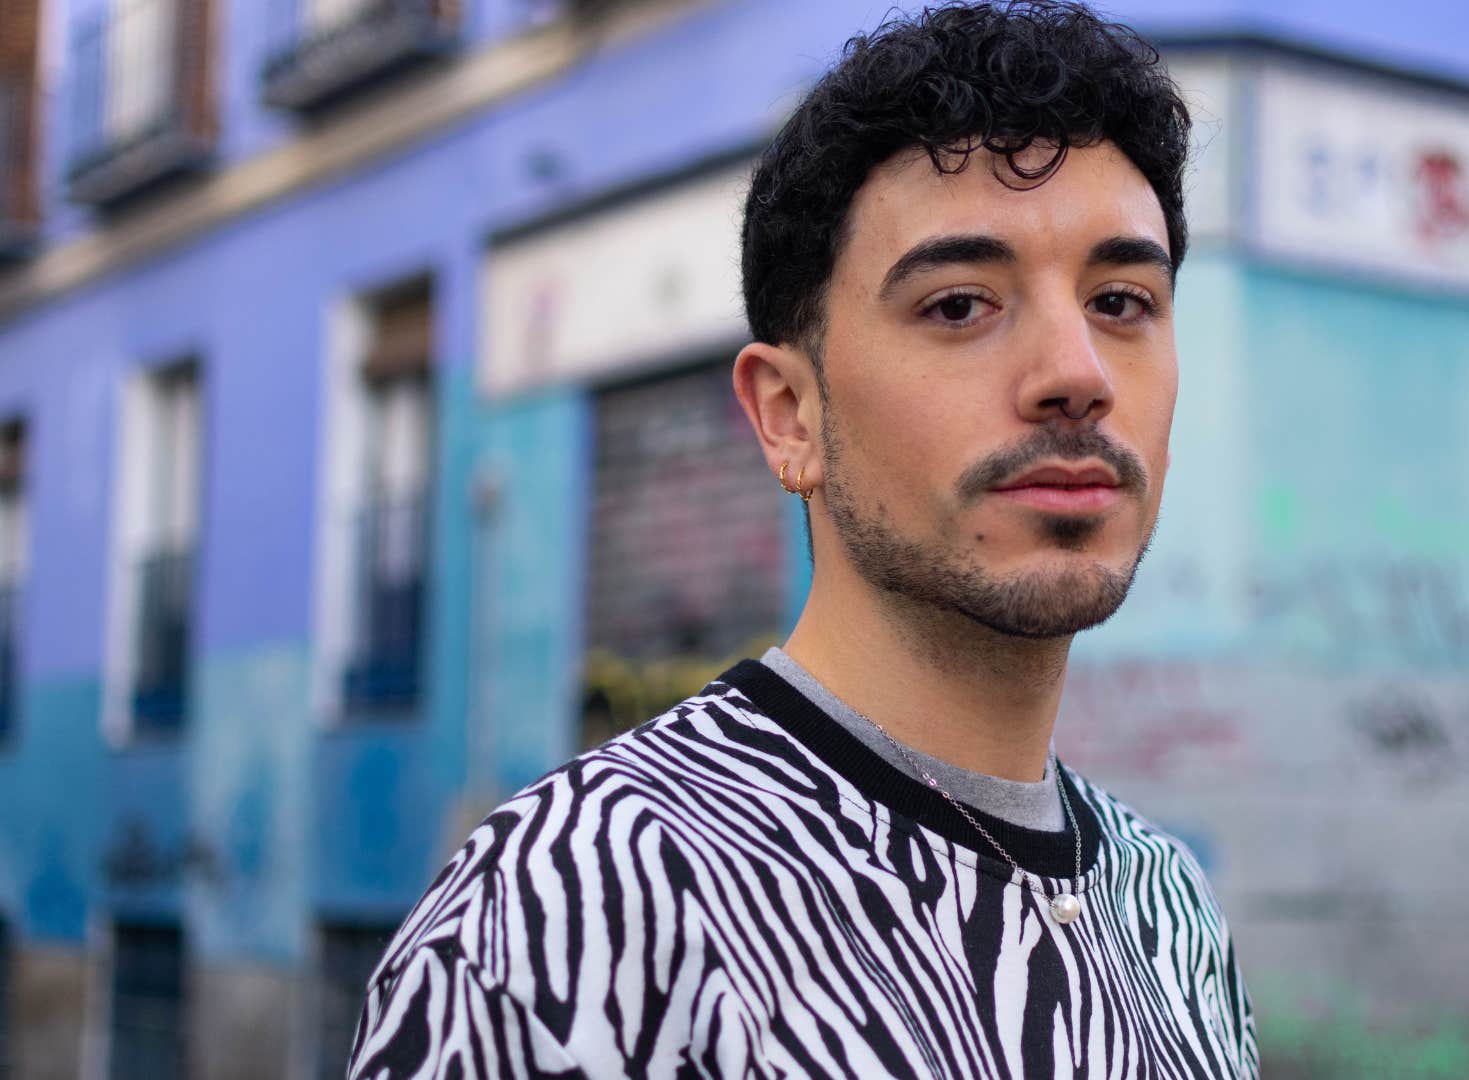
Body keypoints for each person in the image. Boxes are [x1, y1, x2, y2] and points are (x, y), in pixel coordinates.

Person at [347, 2, 1258, 1076]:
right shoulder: (581, 903)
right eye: (961, 305)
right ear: (789, 415)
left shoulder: (1172, 912)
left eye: (1120, 299)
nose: (1078, 373)